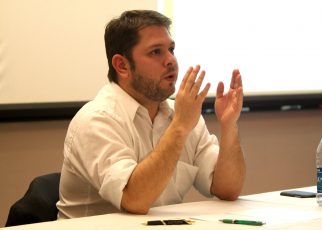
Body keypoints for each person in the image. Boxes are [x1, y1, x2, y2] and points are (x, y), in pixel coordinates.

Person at [57, 10, 246, 219]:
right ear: (122, 66)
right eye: (156, 52)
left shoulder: (179, 114)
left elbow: (227, 189)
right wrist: (180, 127)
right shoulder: (95, 120)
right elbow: (134, 200)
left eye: (171, 49)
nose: (171, 61)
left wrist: (229, 127)